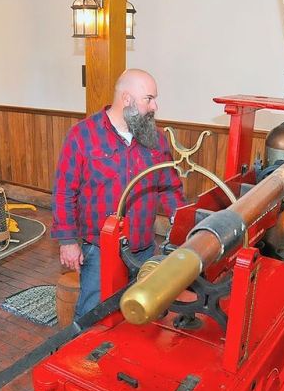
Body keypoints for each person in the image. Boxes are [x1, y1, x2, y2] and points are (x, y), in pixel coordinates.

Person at [52, 69, 185, 318]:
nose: (155, 105)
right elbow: (64, 192)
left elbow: (169, 187)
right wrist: (68, 242)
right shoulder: (82, 136)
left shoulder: (155, 138)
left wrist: (184, 228)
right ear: (127, 99)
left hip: (144, 246)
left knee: (146, 312)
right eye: (149, 98)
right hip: (100, 248)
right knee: (93, 315)